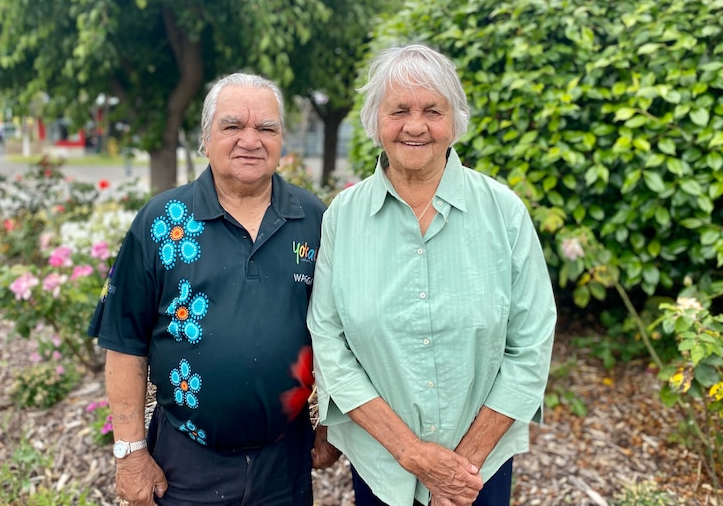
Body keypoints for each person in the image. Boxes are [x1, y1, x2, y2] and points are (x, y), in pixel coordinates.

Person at [307, 44, 557, 506]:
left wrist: (460, 470)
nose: (415, 125)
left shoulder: (504, 213)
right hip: (384, 465)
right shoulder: (343, 216)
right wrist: (414, 454)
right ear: (375, 121)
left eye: (432, 111)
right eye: (398, 109)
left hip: (478, 473)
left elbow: (532, 342)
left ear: (454, 120)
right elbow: (329, 341)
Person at [88, 73, 340, 506]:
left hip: (285, 460)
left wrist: (332, 423)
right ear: (206, 138)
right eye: (232, 126)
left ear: (282, 139)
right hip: (185, 463)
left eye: (266, 128)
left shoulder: (314, 219)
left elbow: (337, 331)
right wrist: (129, 454)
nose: (250, 140)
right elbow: (125, 342)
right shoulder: (160, 222)